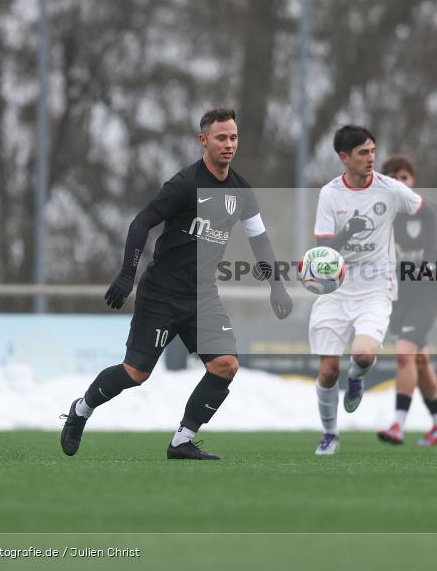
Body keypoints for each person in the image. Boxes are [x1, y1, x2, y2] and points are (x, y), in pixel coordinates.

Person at [59, 108, 292, 460]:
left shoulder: (242, 191)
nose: (229, 144)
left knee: (225, 365)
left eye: (233, 137)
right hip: (161, 295)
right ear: (203, 141)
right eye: (221, 138)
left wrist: (277, 286)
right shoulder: (185, 184)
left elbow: (259, 240)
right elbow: (141, 223)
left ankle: (182, 441)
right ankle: (81, 410)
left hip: (202, 296)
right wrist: (127, 274)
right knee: (135, 373)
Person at [309, 126, 424, 455]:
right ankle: (330, 434)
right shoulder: (330, 194)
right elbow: (325, 250)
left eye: (373, 150)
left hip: (376, 288)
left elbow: (424, 211)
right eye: (363, 152)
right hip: (335, 289)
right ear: (344, 157)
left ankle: (357, 377)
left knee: (363, 355)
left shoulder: (391, 189)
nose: (371, 158)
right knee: (328, 371)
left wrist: (426, 251)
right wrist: (349, 230)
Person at [378, 155, 437, 447]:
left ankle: (397, 425)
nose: (400, 183)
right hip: (395, 299)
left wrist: (436, 268)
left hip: (426, 298)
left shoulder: (432, 213)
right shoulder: (383, 218)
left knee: (404, 354)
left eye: (404, 177)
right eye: (393, 178)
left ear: (412, 181)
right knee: (420, 361)